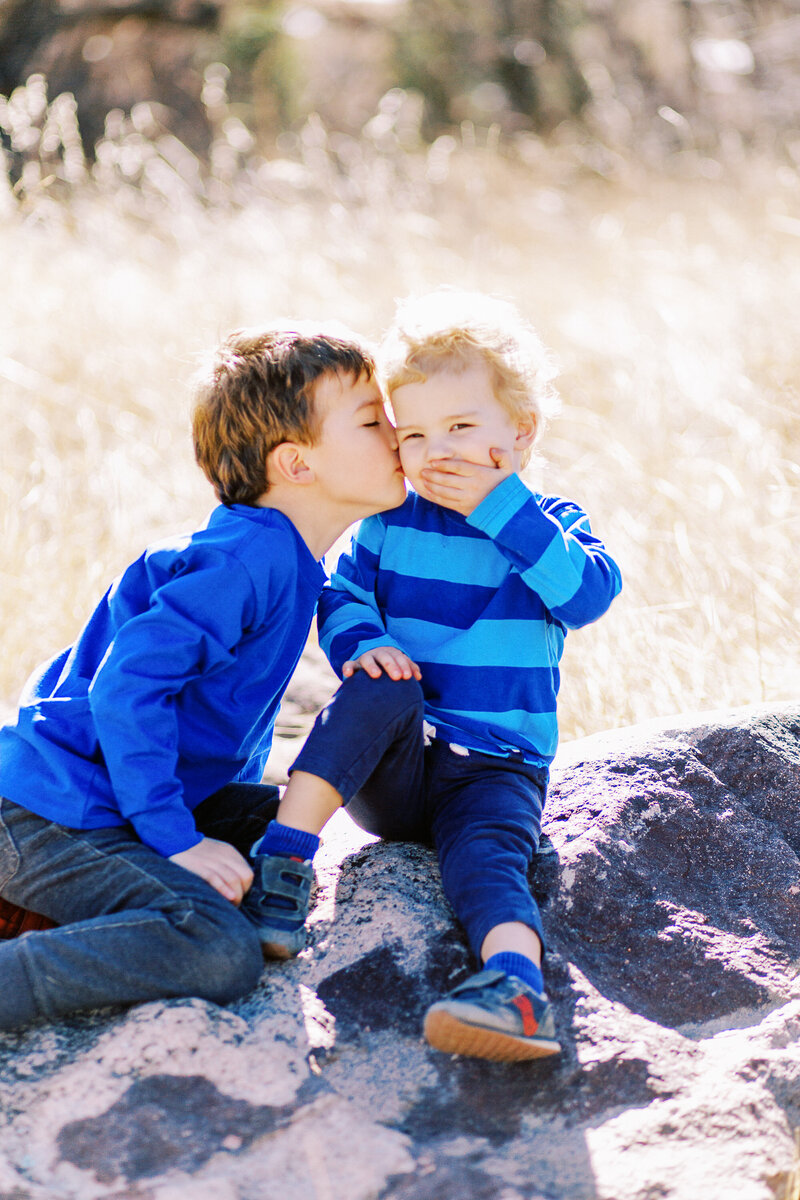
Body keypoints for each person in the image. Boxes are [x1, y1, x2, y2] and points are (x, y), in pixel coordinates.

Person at [242, 291, 623, 1062]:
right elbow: (339, 592)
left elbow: (585, 594)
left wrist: (504, 507)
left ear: (519, 434)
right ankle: (284, 860)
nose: (434, 451)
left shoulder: (545, 523)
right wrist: (365, 642)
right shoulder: (390, 526)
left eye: (460, 427)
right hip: (399, 765)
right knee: (380, 687)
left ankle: (514, 988)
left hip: (498, 769)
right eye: (412, 434)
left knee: (489, 868)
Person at [0, 325, 406, 1029]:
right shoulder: (244, 560)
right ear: (296, 463)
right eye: (373, 421)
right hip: (47, 810)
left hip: (113, 800)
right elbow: (125, 690)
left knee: (286, 822)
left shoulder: (285, 557)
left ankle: (43, 911)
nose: (398, 436)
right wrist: (176, 840)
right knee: (215, 950)